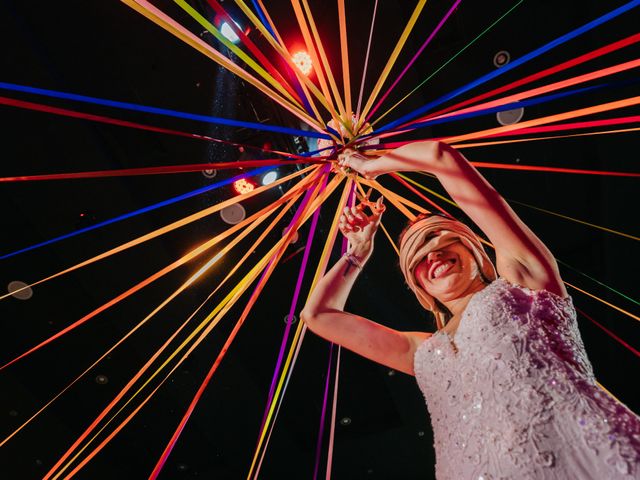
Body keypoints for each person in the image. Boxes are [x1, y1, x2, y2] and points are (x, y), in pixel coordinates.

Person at [301, 141, 640, 479]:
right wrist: (359, 251)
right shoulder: (420, 350)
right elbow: (318, 315)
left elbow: (440, 157)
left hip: (586, 458)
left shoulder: (524, 280)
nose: (432, 253)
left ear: (474, 249)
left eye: (440, 237)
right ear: (418, 285)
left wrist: (370, 165)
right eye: (417, 255)